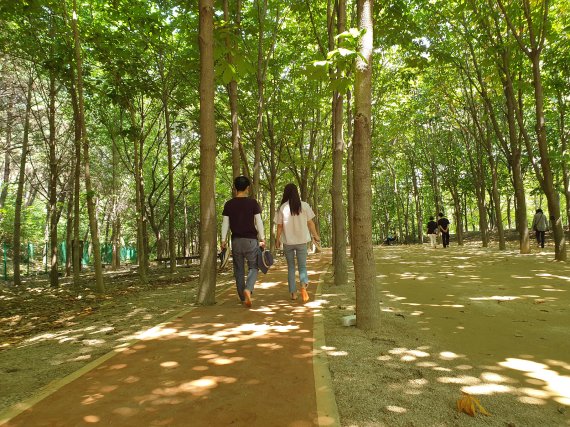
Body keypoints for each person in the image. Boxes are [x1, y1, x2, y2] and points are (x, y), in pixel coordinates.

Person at [221, 176, 266, 308]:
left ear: (234, 188)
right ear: (247, 188)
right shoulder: (253, 203)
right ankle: (248, 288)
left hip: (236, 241)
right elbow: (259, 221)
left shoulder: (228, 204)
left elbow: (225, 224)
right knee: (253, 266)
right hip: (251, 241)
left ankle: (242, 297)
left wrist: (223, 240)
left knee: (239, 270)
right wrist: (262, 238)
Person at [275, 183, 320, 303]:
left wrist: (277, 240)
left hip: (288, 242)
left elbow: (279, 226)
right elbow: (310, 223)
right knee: (302, 266)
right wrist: (316, 236)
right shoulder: (304, 205)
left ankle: (293, 293)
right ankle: (304, 286)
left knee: (290, 267)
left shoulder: (283, 207)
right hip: (301, 241)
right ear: (297, 192)